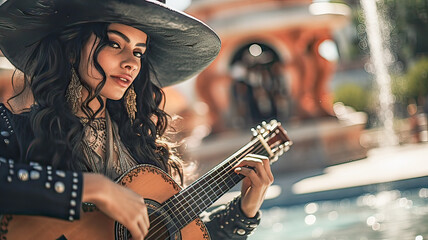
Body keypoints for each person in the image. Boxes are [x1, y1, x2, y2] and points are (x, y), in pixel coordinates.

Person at [0, 0, 274, 239]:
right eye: (114, 44)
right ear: (71, 50)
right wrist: (92, 188)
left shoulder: (144, 151)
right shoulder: (14, 131)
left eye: (139, 52)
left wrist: (243, 212)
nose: (131, 62)